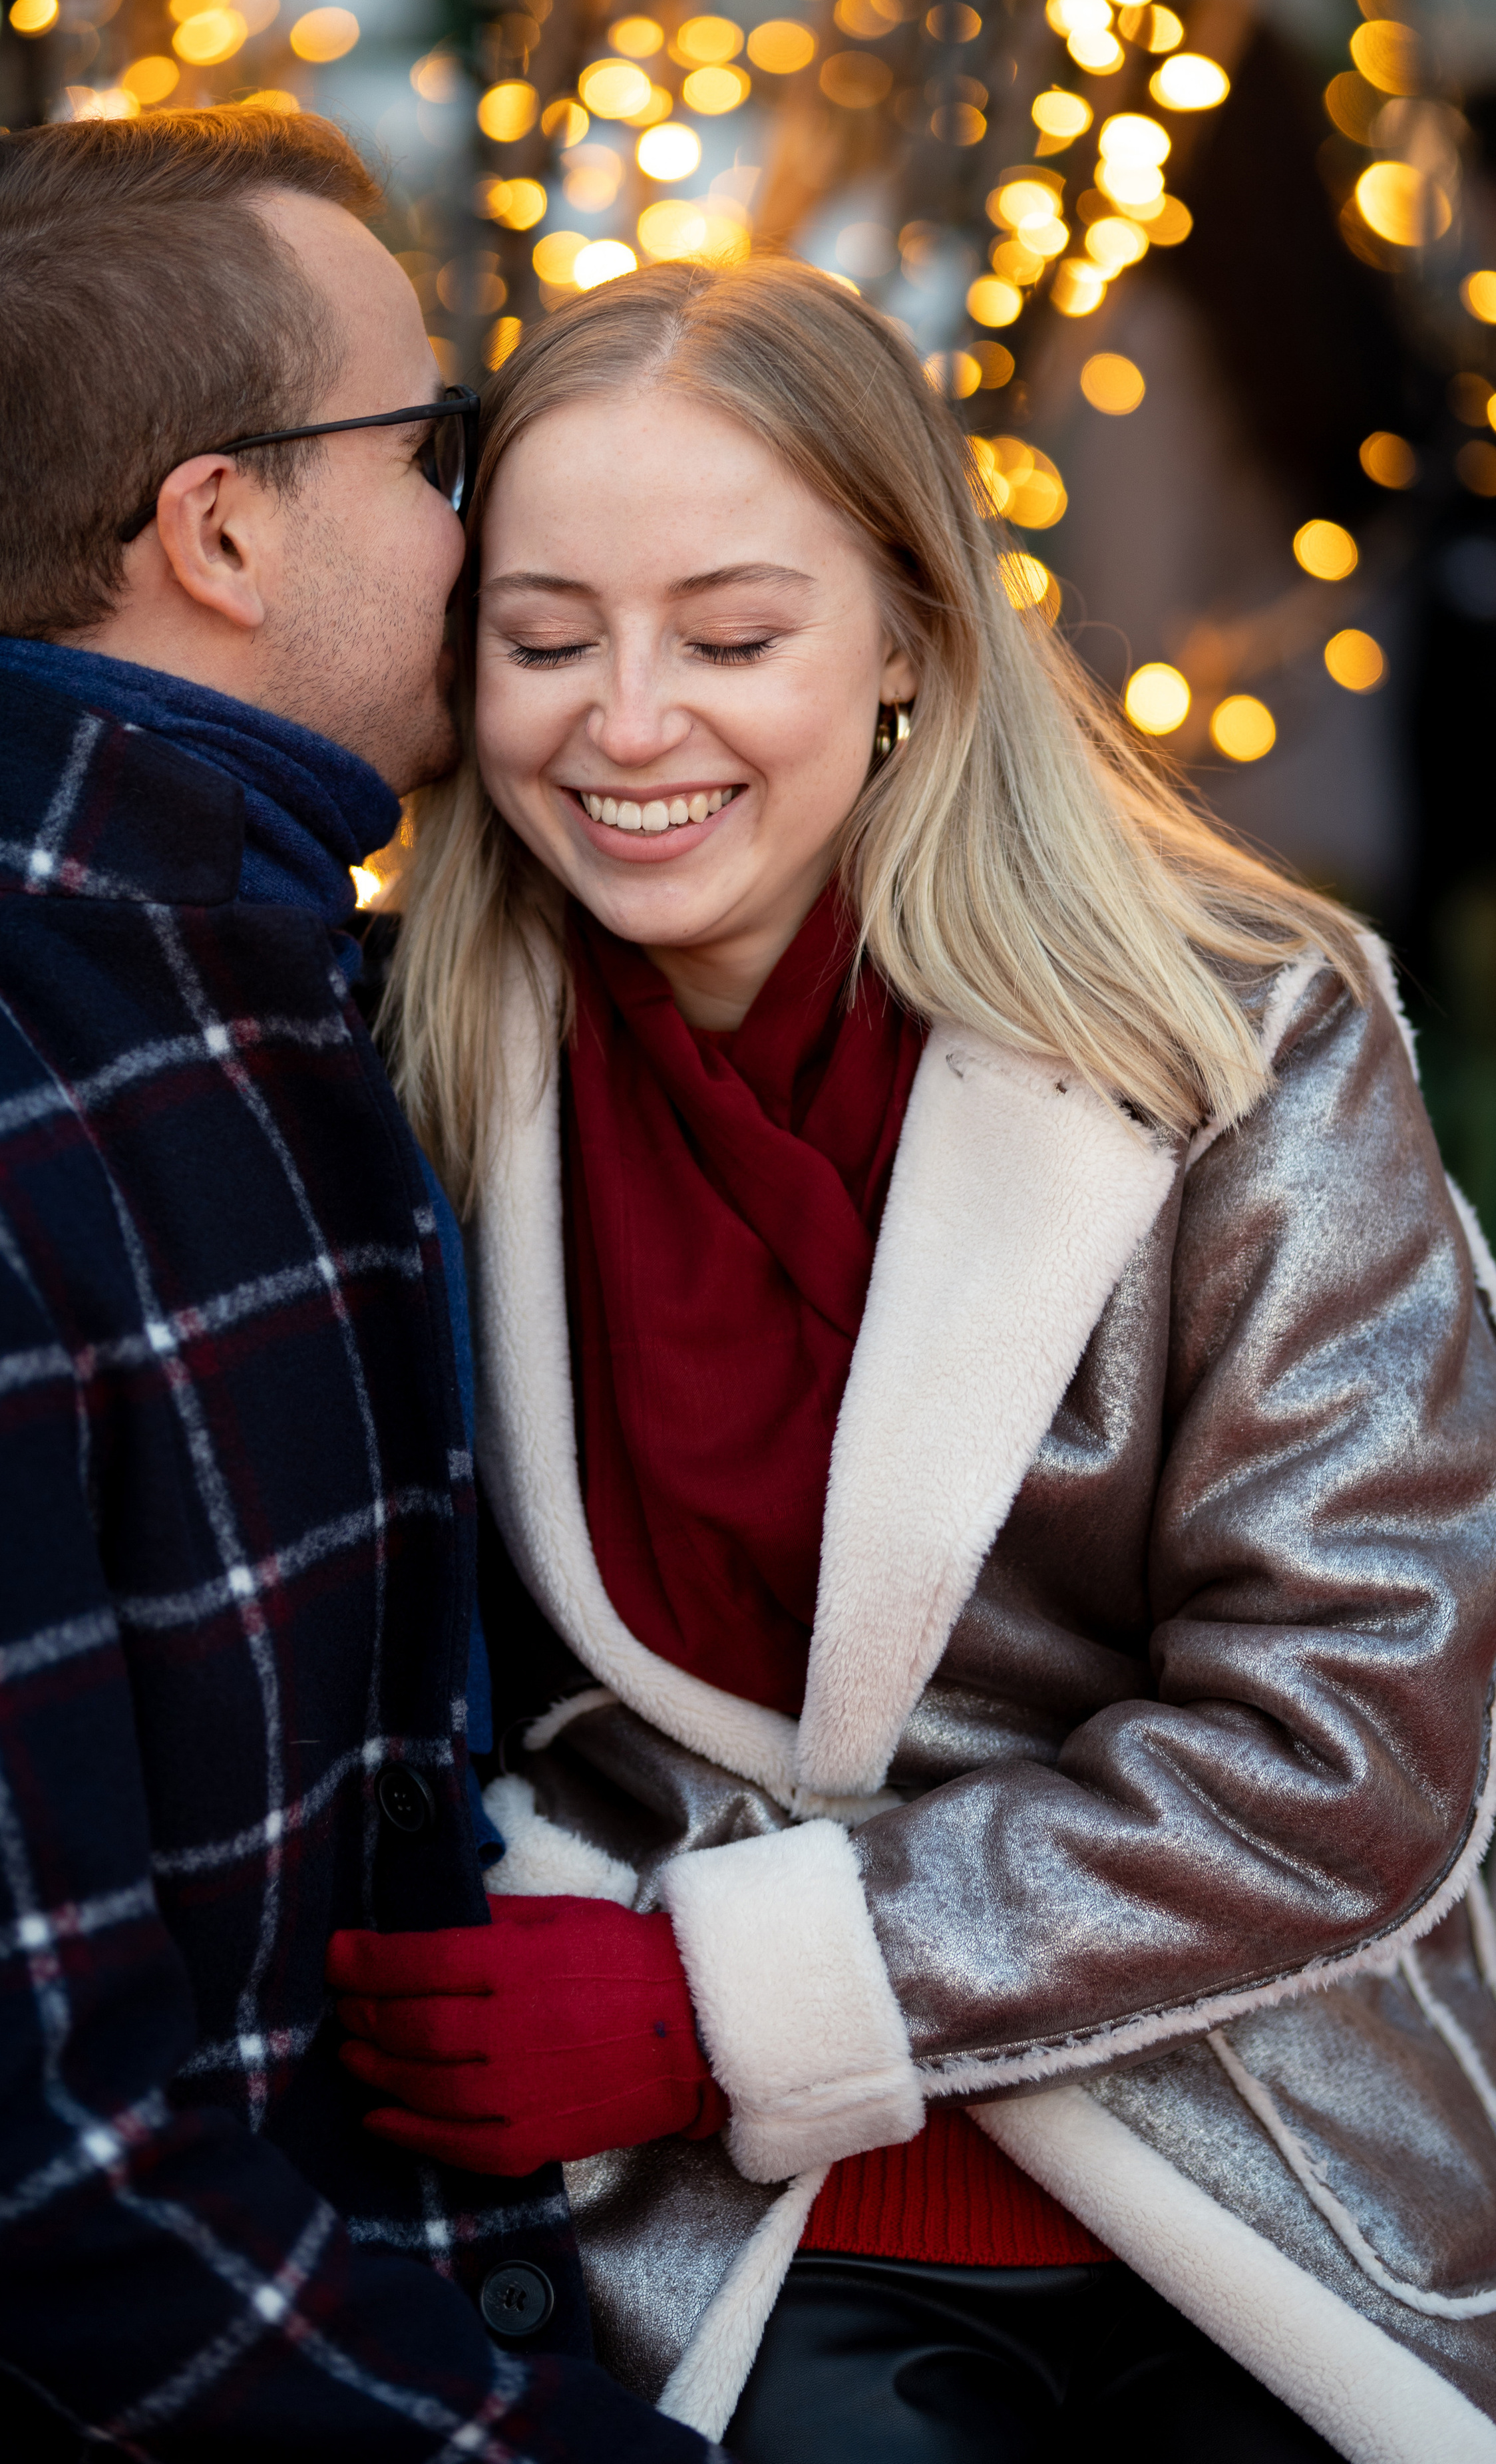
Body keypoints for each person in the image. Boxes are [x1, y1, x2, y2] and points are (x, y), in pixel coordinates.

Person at [329, 256, 1496, 2462]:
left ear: (912, 646)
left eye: (736, 638)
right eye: (546, 638)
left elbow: (1353, 1733)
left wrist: (722, 2001)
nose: (629, 721)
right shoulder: (413, 1052)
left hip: (1244, 2151)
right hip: (731, 2220)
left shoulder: (1242, 1036)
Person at [0, 110, 712, 2464]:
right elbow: (13, 2166)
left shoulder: (316, 980)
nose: (475, 517)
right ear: (217, 529)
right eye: (432, 448)